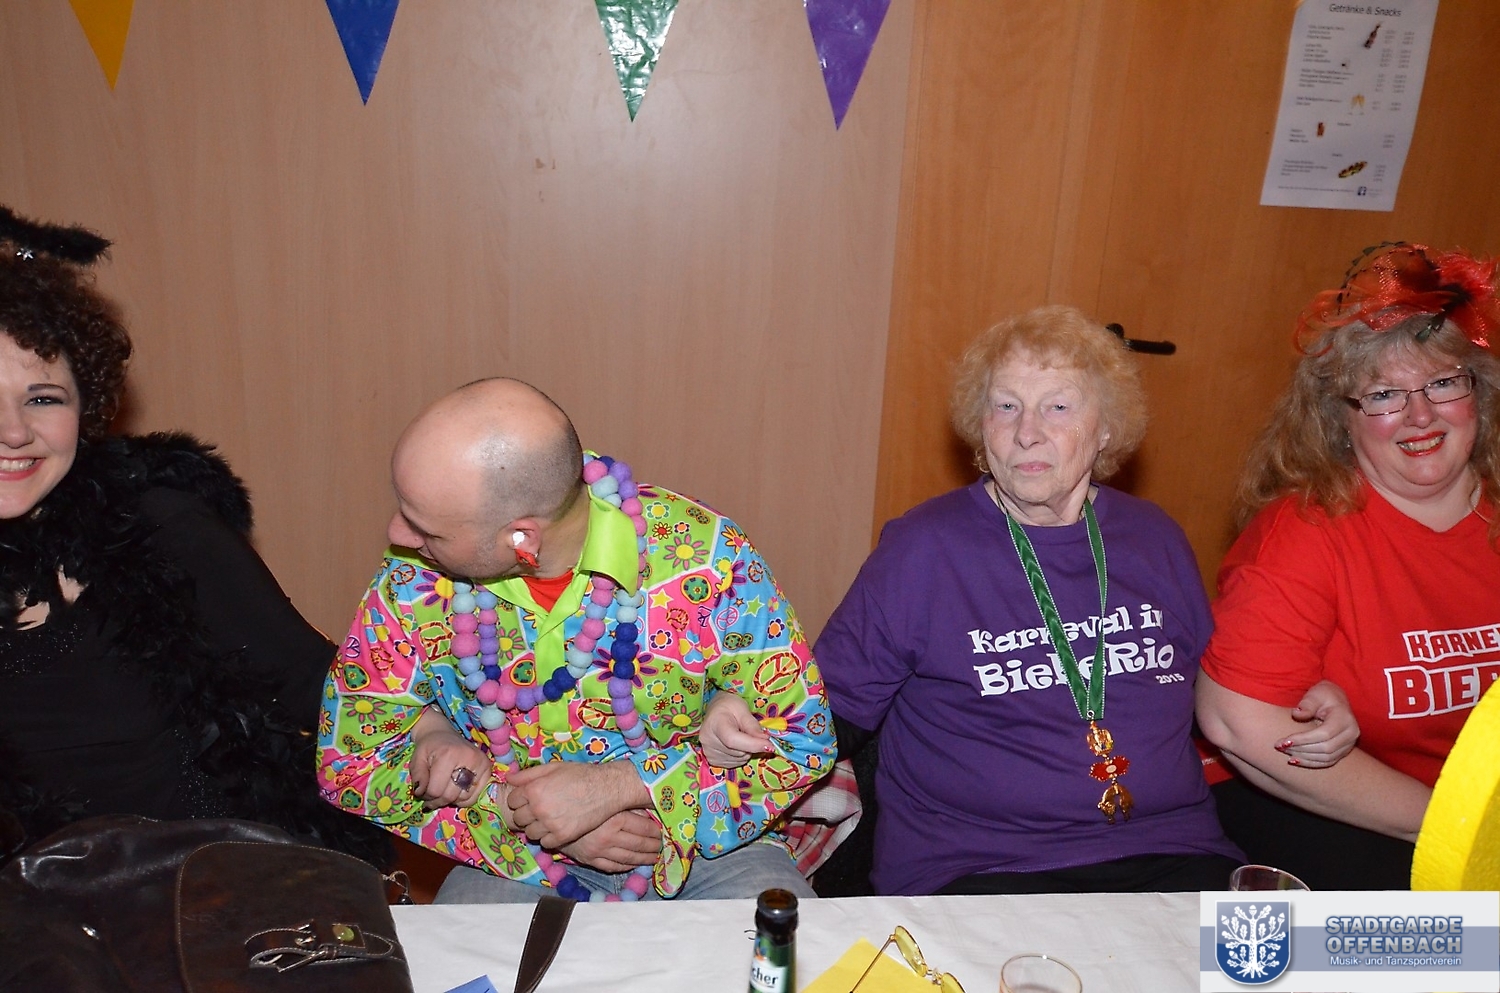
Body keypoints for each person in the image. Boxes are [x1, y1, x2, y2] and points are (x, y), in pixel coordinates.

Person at [808, 305, 1353, 896]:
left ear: (1107, 428)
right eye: (1006, 406)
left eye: (1058, 407)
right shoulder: (923, 550)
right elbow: (826, 711)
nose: (1027, 432)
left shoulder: (1153, 537)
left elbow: (1213, 686)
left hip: (1171, 850)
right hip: (984, 864)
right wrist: (746, 731)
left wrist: (1301, 697)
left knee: (1305, 949)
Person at [317, 378, 835, 902]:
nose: (397, 534)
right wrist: (504, 804)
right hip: (514, 857)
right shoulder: (412, 580)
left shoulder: (705, 557)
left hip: (707, 849)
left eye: (427, 530)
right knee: (461, 956)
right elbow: (348, 764)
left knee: (788, 948)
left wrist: (618, 787)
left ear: (523, 538)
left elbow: (803, 745)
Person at [0, 206, 381, 864]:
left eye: (43, 398)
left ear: (85, 409)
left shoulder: (161, 527)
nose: (14, 432)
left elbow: (320, 689)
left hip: (211, 895)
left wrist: (458, 752)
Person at [1197, 243, 1500, 889]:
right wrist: (1456, 830)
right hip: (1346, 805)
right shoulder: (1306, 531)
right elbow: (1238, 722)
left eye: (1443, 383)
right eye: (1384, 394)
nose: (1420, 415)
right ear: (1341, 420)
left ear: (1480, 393)